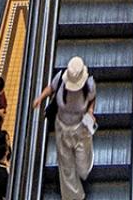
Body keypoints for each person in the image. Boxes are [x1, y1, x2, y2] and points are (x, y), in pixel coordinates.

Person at [32, 55, 96, 200]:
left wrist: (91, 111)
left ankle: (85, 169)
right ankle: (74, 196)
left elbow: (92, 99)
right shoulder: (61, 79)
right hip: (62, 127)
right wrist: (40, 98)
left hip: (81, 128)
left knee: (82, 165)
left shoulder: (89, 85)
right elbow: (51, 88)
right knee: (66, 164)